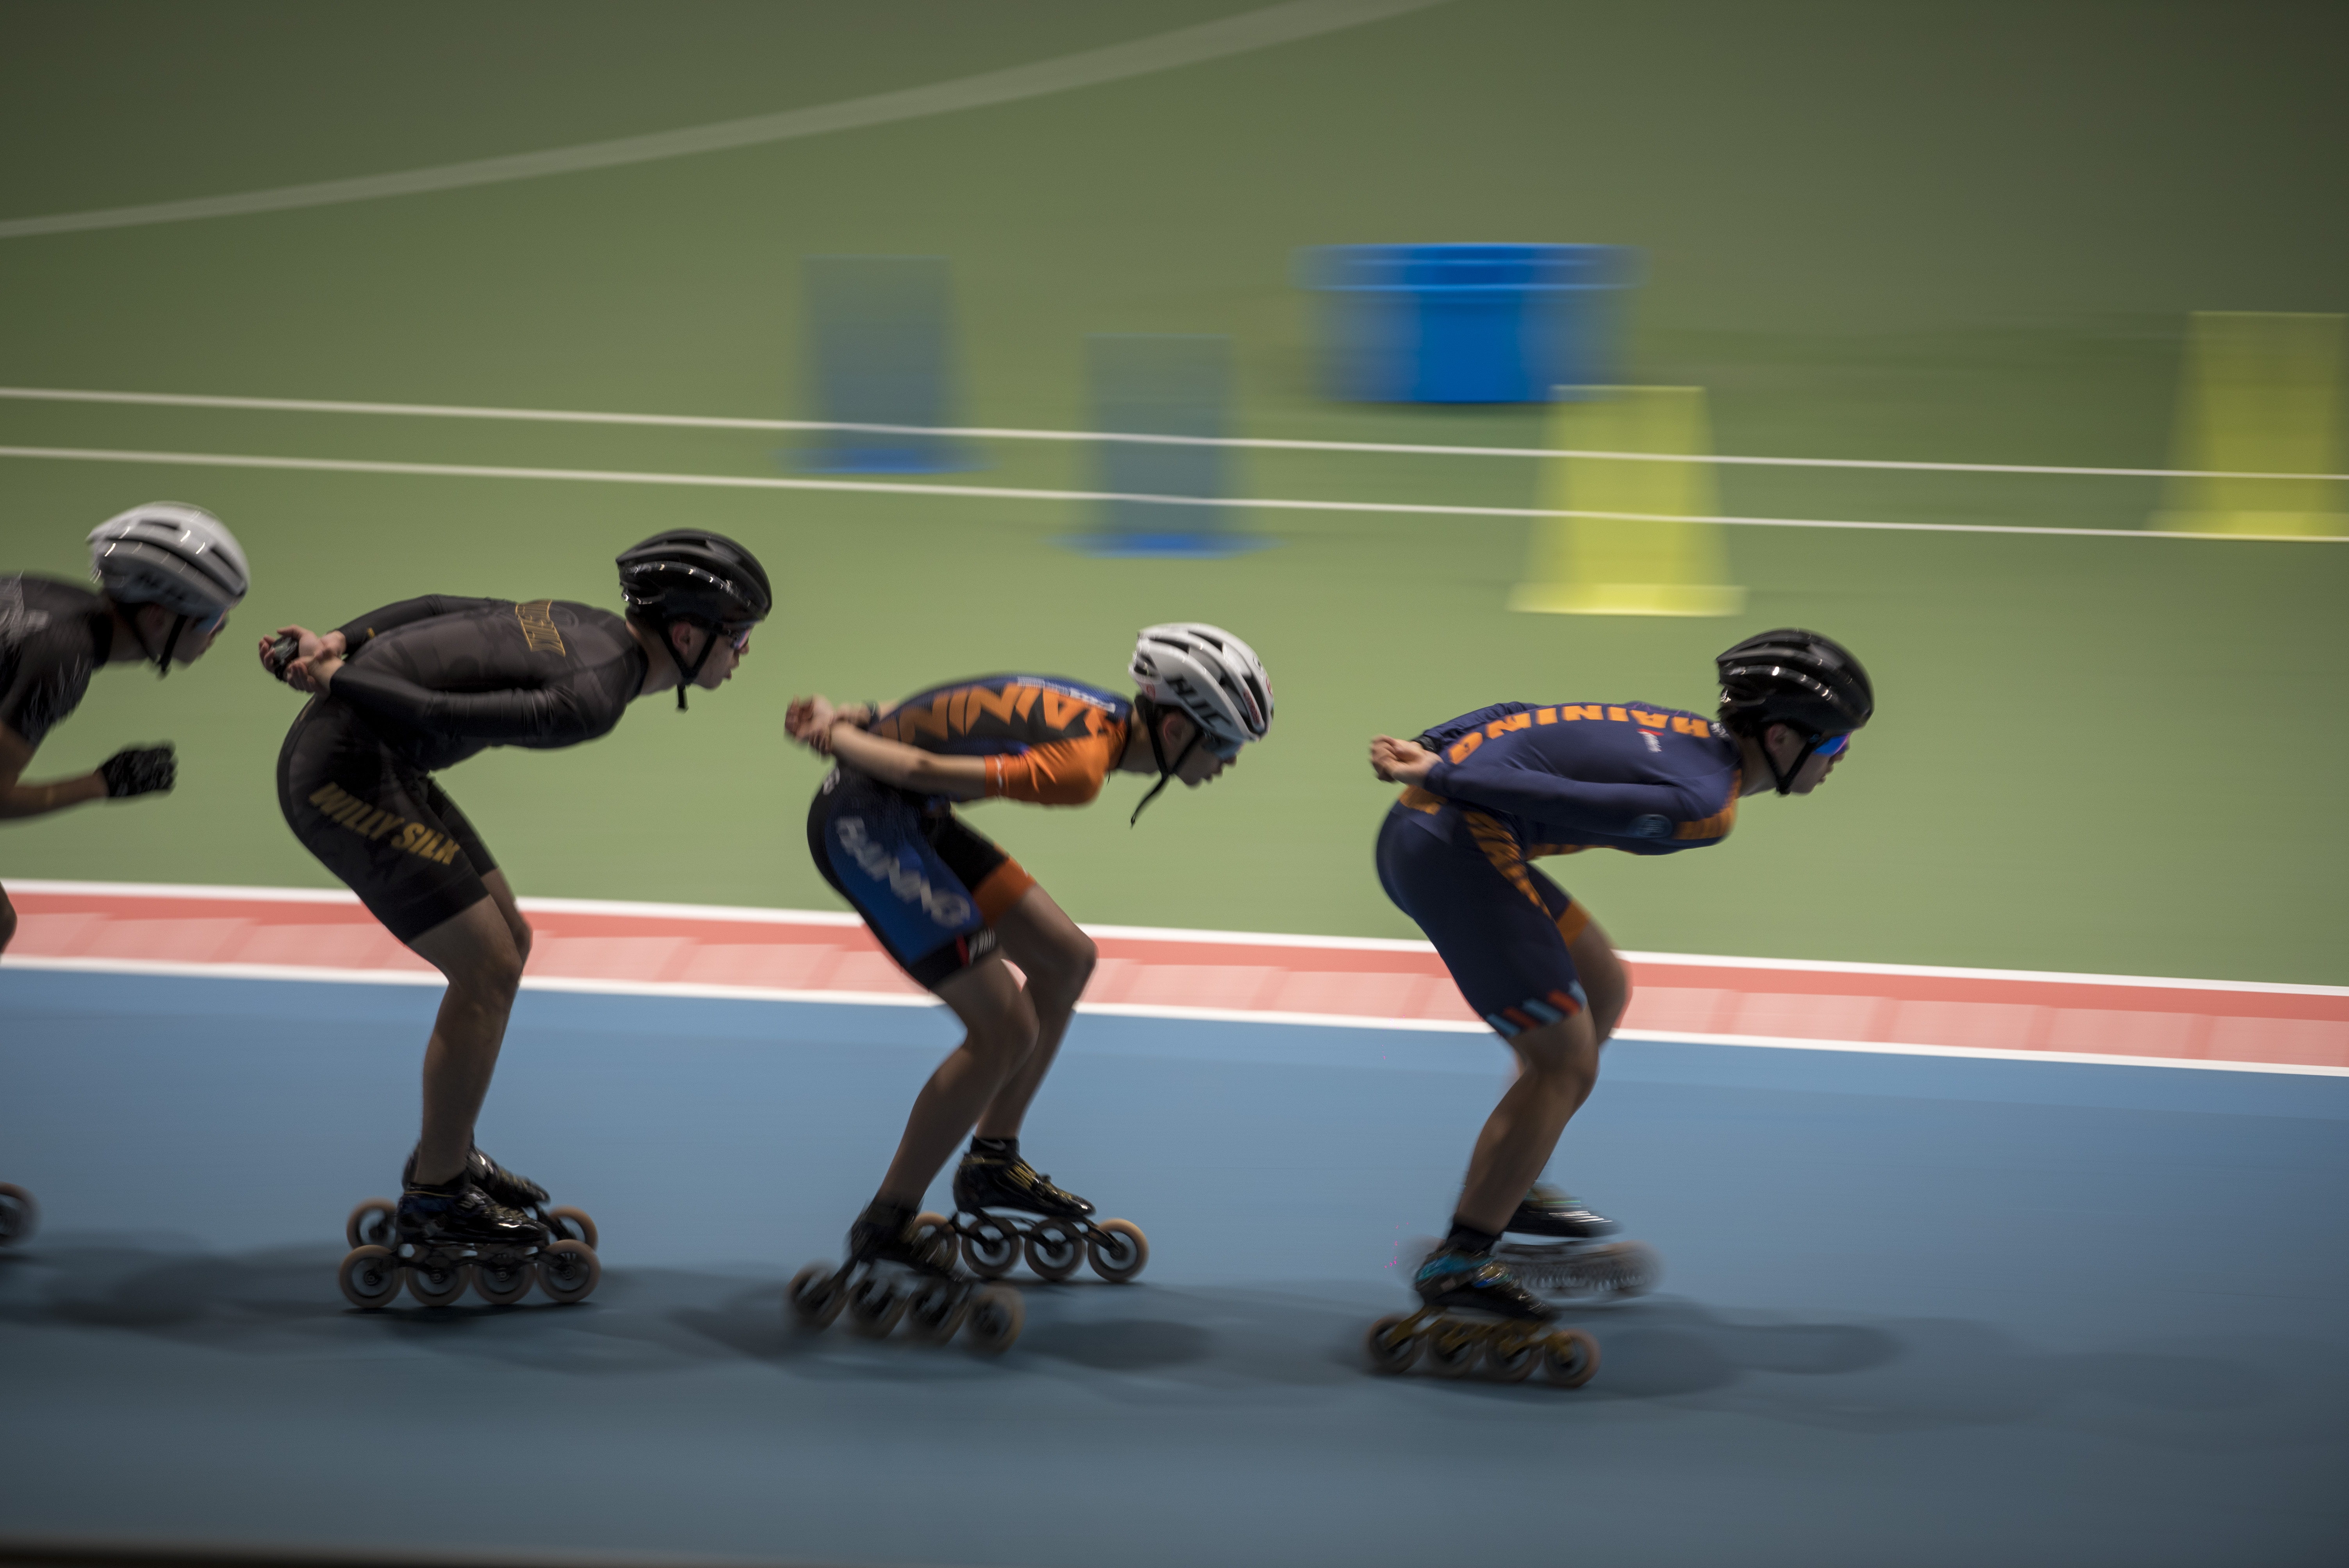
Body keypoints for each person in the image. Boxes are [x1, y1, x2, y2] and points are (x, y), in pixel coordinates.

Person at [267, 529, 769, 1290]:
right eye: (738, 636)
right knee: (486, 967)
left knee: (510, 939)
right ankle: (437, 1198)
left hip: (382, 757)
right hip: (341, 774)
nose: (744, 652)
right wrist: (339, 674)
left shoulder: (585, 622)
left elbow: (434, 607)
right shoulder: (593, 697)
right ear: (688, 635)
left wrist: (341, 641)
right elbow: (439, 707)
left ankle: (447, 1152)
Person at [1367, 629, 1872, 1329]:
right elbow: (1564, 798)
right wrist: (1441, 772)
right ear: (1782, 737)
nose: (1840, 756)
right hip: (1451, 848)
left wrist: (1434, 745)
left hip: (1449, 833)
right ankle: (1462, 1261)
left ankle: (1514, 1181)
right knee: (1566, 1063)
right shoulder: (1706, 806)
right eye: (1834, 742)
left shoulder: (1687, 734)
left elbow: (1523, 713)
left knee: (1602, 986)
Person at [784, 624, 1272, 1292]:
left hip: (911, 812)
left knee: (1065, 960)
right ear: (1176, 729)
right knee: (1004, 1031)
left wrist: (858, 715)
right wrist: (833, 736)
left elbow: (953, 710)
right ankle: (888, 1219)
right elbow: (924, 769)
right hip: (867, 822)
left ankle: (992, 1159)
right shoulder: (1081, 769)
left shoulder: (1102, 712)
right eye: (1224, 743)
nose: (1230, 762)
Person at [2, 503, 249, 1249]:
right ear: (158, 616)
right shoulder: (64, 656)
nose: (219, 634)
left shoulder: (51, 603)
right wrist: (103, 784)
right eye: (212, 619)